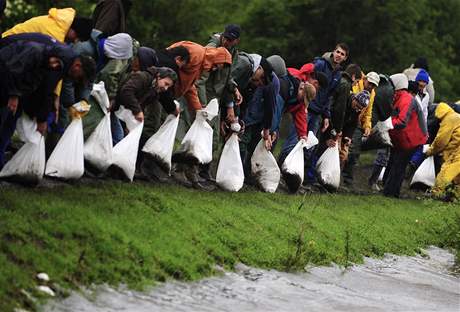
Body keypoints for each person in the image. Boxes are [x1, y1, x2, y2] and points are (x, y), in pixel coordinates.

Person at [0, 33, 95, 168]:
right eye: (80, 78)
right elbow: (45, 89)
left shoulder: (66, 56)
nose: (76, 80)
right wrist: (41, 119)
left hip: (14, 72)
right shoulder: (61, 61)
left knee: (10, 117)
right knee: (6, 116)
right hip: (7, 62)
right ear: (78, 66)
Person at [195, 24, 243, 182]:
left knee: (213, 136)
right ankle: (189, 168)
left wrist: (234, 89)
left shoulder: (233, 51)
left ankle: (203, 170)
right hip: (205, 96)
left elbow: (228, 75)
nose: (227, 41)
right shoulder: (212, 47)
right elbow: (200, 80)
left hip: (217, 97)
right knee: (201, 133)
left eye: (231, 40)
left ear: (237, 41)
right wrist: (201, 105)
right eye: (226, 37)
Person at [303, 43, 349, 185]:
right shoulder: (320, 64)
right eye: (337, 52)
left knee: (311, 145)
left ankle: (304, 177)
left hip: (319, 113)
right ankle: (285, 170)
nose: (338, 55)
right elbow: (307, 80)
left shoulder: (338, 74)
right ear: (333, 52)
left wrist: (327, 116)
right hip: (308, 108)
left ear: (345, 58)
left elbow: (328, 96)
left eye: (342, 54)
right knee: (297, 140)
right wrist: (304, 103)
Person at [383, 73, 427, 198]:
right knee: (397, 164)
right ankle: (391, 192)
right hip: (405, 138)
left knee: (399, 165)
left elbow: (402, 122)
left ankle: (390, 193)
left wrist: (387, 123)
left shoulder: (406, 99)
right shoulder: (400, 97)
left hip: (410, 139)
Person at [342, 71, 380, 186]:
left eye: (374, 85)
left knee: (354, 151)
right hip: (346, 117)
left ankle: (347, 179)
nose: (371, 86)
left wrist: (367, 126)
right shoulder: (355, 86)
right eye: (370, 83)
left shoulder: (372, 93)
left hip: (357, 122)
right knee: (342, 147)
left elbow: (368, 112)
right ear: (365, 80)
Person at [424, 102, 460, 197]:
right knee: (457, 177)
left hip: (457, 153)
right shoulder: (456, 116)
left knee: (445, 172)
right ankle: (455, 197)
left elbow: (441, 141)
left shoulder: (449, 119)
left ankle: (436, 194)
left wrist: (431, 150)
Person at [367, 74, 395, 191]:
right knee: (383, 153)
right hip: (378, 124)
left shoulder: (375, 88)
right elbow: (386, 112)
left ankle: (346, 177)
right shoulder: (388, 90)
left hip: (369, 121)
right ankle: (372, 181)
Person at [3, 8, 92, 43]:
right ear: (73, 30)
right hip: (6, 45)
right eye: (77, 37)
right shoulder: (55, 33)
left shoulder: (58, 21)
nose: (74, 41)